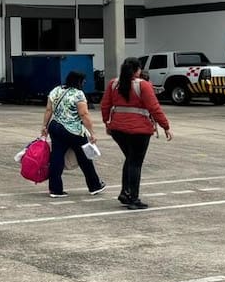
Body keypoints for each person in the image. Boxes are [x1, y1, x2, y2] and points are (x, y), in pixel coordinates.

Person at [101, 58, 173, 210]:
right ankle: (133, 198)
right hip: (139, 130)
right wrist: (165, 126)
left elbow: (105, 105)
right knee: (135, 163)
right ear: (137, 70)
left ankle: (125, 193)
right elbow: (154, 107)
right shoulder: (143, 85)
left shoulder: (113, 84)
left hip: (118, 129)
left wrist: (107, 122)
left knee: (130, 159)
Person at [40, 70, 106, 198]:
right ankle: (94, 185)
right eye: (83, 81)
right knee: (85, 158)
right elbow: (84, 114)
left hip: (55, 127)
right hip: (73, 130)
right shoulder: (78, 94)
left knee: (56, 158)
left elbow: (49, 109)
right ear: (79, 81)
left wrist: (44, 126)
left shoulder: (56, 90)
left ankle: (55, 189)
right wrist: (92, 132)